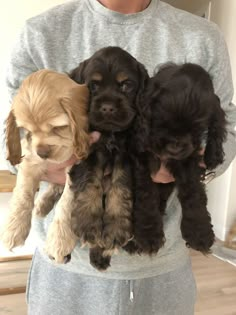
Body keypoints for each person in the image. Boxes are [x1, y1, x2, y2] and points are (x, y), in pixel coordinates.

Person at [3, 0, 236, 314]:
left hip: (163, 268)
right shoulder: (40, 32)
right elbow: (9, 137)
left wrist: (178, 169)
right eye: (95, 88)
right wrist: (67, 168)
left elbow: (227, 125)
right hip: (64, 268)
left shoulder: (202, 36)